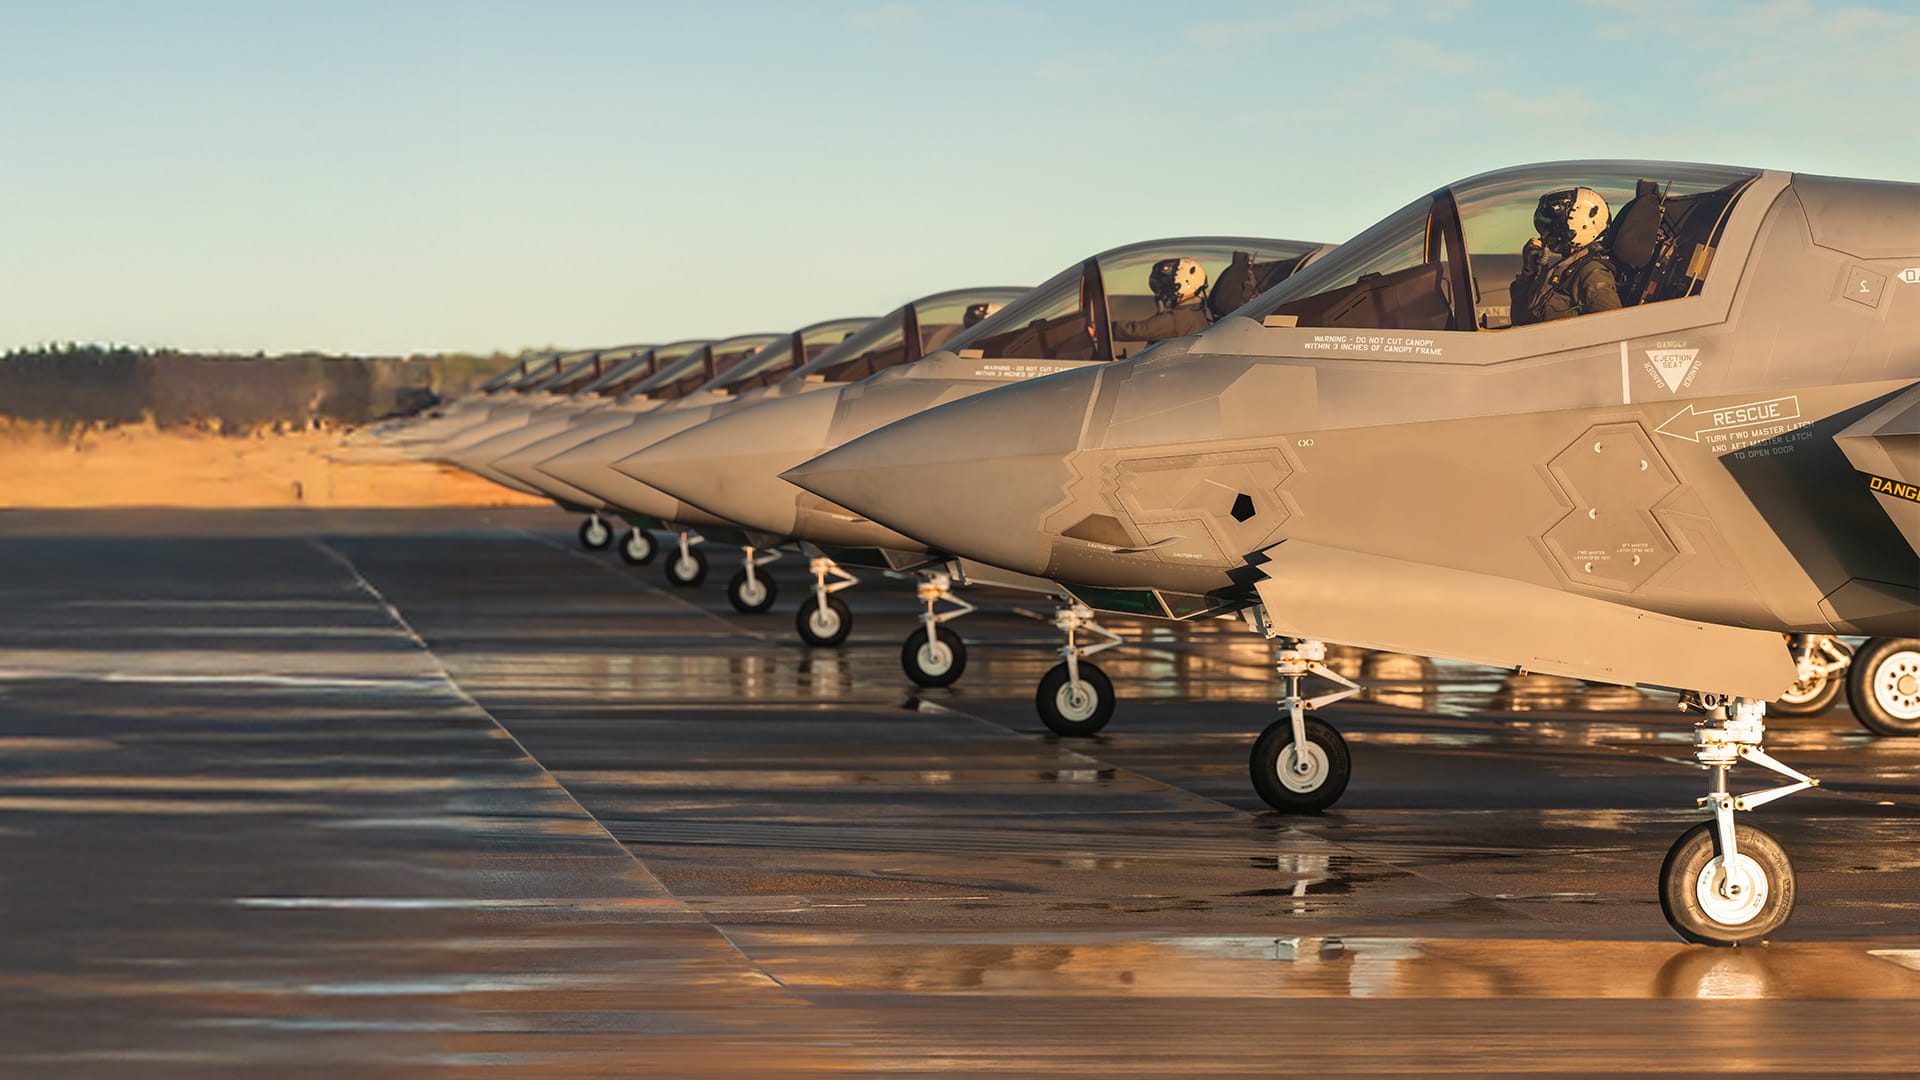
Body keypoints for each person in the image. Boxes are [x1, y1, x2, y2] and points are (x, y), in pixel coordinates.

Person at [1510, 187, 1622, 325]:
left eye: (1554, 228)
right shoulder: (1564, 269)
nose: (1545, 235)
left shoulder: (1592, 273)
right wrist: (1529, 272)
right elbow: (1521, 321)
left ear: (1580, 224)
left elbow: (1613, 330)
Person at [1113, 257, 1213, 343]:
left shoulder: (1178, 317)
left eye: (1166, 288)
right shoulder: (1197, 312)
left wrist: (1103, 330)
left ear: (1181, 285)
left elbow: (1136, 331)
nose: (1162, 294)